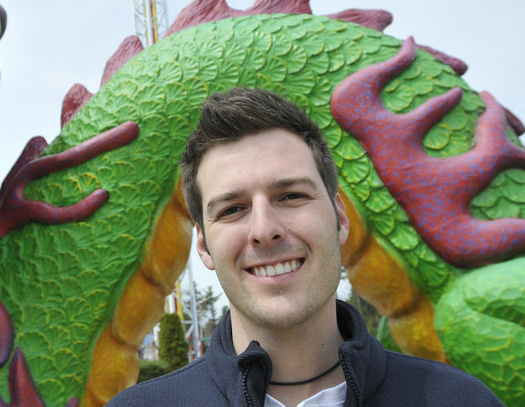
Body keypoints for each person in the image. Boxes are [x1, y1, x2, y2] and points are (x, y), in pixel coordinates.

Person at [108, 88, 502, 406]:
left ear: (340, 217)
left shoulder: (460, 399)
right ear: (204, 246)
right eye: (232, 209)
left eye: (292, 196)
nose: (264, 229)